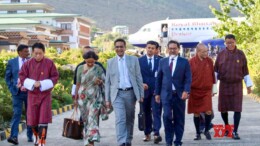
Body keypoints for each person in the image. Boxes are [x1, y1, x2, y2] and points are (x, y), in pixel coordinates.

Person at [105, 38, 144, 146]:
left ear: (125, 48)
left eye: (121, 46)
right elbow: (107, 82)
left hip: (131, 94)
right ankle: (121, 141)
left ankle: (128, 140)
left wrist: (141, 94)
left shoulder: (133, 60)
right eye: (117, 47)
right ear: (114, 48)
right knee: (120, 118)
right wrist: (107, 99)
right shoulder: (110, 62)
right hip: (117, 94)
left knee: (129, 119)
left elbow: (138, 77)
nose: (119, 49)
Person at [19, 42, 59, 146]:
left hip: (45, 94)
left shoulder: (49, 63)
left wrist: (41, 83)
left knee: (43, 118)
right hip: (32, 95)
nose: (38, 56)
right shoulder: (27, 64)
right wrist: (32, 83)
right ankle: (36, 136)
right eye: (35, 53)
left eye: (40, 53)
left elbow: (55, 77)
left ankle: (42, 141)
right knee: (32, 119)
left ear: (44, 52)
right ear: (32, 53)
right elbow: (22, 76)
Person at [214, 34, 253, 140]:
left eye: (231, 42)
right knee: (223, 109)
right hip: (224, 85)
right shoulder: (221, 54)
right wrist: (213, 88)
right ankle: (227, 127)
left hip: (237, 85)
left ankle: (235, 131)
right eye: (227, 43)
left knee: (237, 109)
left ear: (235, 42)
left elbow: (245, 71)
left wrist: (248, 86)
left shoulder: (241, 54)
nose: (230, 44)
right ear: (225, 43)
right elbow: (216, 71)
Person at [155, 40, 191, 146]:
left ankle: (178, 141)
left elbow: (188, 78)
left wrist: (186, 91)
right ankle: (168, 141)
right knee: (166, 117)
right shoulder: (162, 62)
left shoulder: (184, 62)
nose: (172, 50)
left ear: (178, 49)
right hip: (165, 95)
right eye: (170, 48)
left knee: (179, 118)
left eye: (174, 48)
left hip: (179, 95)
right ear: (167, 49)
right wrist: (157, 93)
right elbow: (159, 79)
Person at [75, 51, 110, 146]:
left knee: (92, 119)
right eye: (88, 62)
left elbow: (105, 81)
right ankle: (87, 140)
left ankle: (91, 141)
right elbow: (78, 83)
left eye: (92, 62)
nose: (90, 64)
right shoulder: (80, 68)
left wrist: (100, 82)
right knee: (86, 120)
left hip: (95, 98)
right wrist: (75, 99)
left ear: (95, 60)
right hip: (82, 98)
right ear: (84, 60)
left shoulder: (98, 68)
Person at [5, 44, 33, 145]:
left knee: (29, 114)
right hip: (17, 92)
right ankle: (14, 136)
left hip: (29, 92)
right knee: (16, 113)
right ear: (20, 52)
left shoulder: (31, 62)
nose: (28, 53)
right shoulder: (12, 62)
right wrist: (11, 88)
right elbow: (7, 77)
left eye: (28, 51)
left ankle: (30, 135)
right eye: (26, 51)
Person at [188, 43, 216, 140]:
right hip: (194, 90)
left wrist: (214, 88)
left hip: (206, 91)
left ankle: (206, 130)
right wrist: (187, 90)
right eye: (204, 52)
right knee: (196, 113)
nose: (206, 53)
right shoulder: (191, 62)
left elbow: (213, 75)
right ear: (198, 52)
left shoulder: (209, 61)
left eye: (207, 51)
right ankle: (197, 133)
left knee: (208, 111)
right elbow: (188, 77)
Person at [138, 41, 162, 144]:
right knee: (146, 112)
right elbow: (135, 75)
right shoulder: (139, 61)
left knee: (156, 112)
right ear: (145, 48)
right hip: (144, 91)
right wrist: (141, 83)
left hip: (156, 92)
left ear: (156, 50)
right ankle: (147, 133)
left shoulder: (161, 60)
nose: (150, 49)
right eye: (148, 47)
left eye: (153, 48)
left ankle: (156, 133)